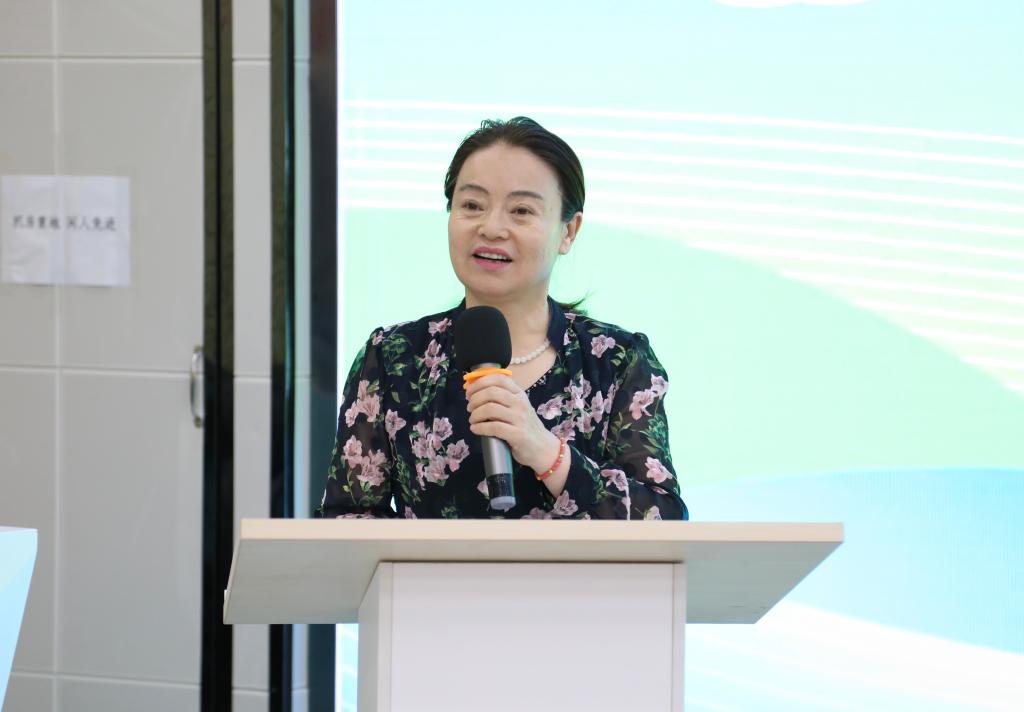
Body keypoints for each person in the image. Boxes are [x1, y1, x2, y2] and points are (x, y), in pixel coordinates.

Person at [318, 117, 688, 520]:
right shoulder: (393, 357)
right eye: (472, 205)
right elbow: (347, 519)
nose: (492, 228)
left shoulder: (617, 361)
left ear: (568, 231)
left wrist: (546, 452)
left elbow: (664, 517)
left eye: (521, 210)